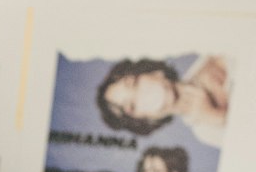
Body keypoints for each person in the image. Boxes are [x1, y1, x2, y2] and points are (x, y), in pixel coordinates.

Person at [96, 54, 231, 147]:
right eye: (132, 105)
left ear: (155, 72)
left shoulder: (212, 59)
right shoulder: (205, 132)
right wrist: (219, 117)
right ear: (146, 120)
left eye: (134, 84)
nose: (143, 95)